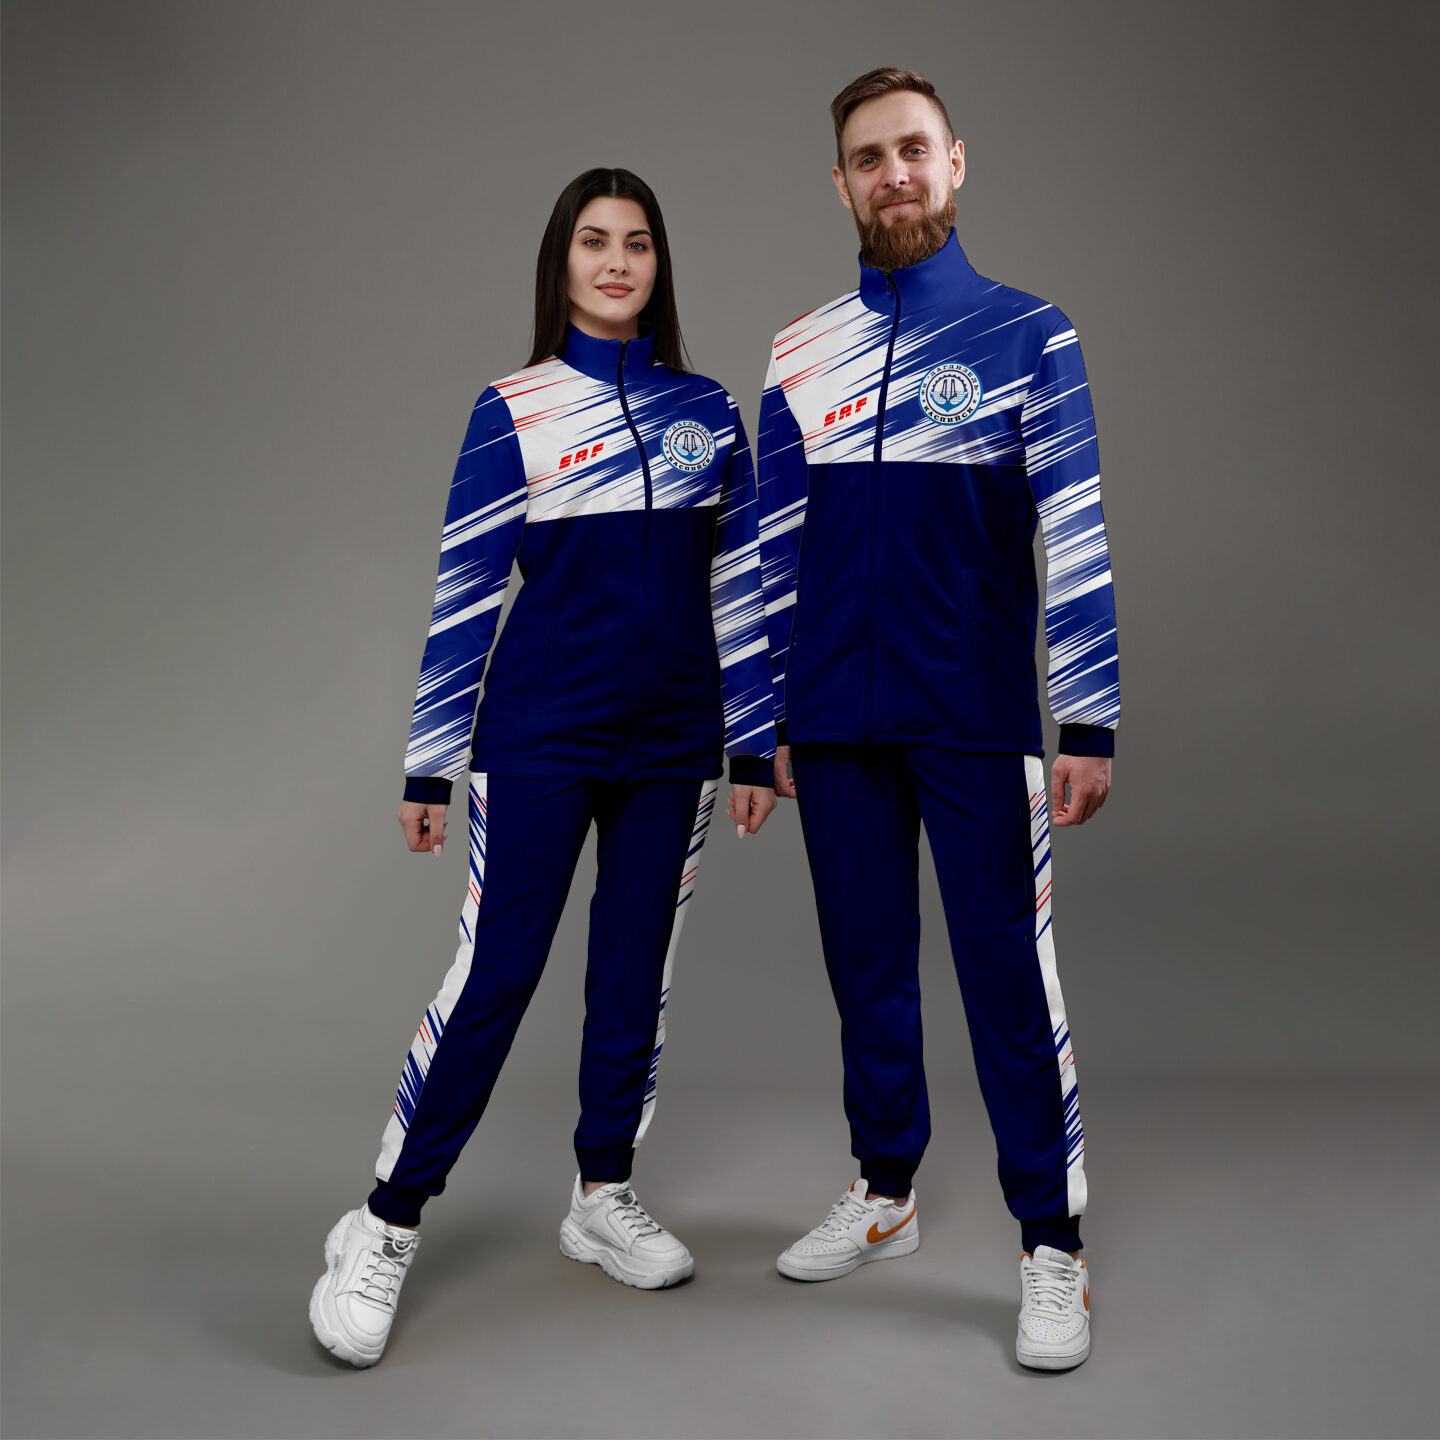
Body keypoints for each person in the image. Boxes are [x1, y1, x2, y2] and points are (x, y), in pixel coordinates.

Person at [309, 168, 778, 1368]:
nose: (617, 261)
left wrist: (752, 739)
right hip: (539, 736)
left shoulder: (708, 411)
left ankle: (602, 1194)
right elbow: (465, 592)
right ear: (561, 262)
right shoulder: (513, 408)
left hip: (674, 741)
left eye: (637, 243)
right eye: (594, 241)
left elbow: (740, 585)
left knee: (634, 969)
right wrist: (429, 767)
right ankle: (384, 1220)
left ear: (659, 265)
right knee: (498, 973)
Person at [754, 69, 1119, 1371]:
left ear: (956, 163)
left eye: (912, 149)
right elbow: (769, 551)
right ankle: (885, 1191)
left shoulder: (1031, 335)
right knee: (867, 971)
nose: (893, 174)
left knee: (1009, 981)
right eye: (868, 158)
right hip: (831, 722)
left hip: (972, 714)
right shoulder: (799, 352)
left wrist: (1088, 718)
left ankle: (1052, 1248)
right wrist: (764, 719)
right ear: (841, 184)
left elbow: (1074, 531)